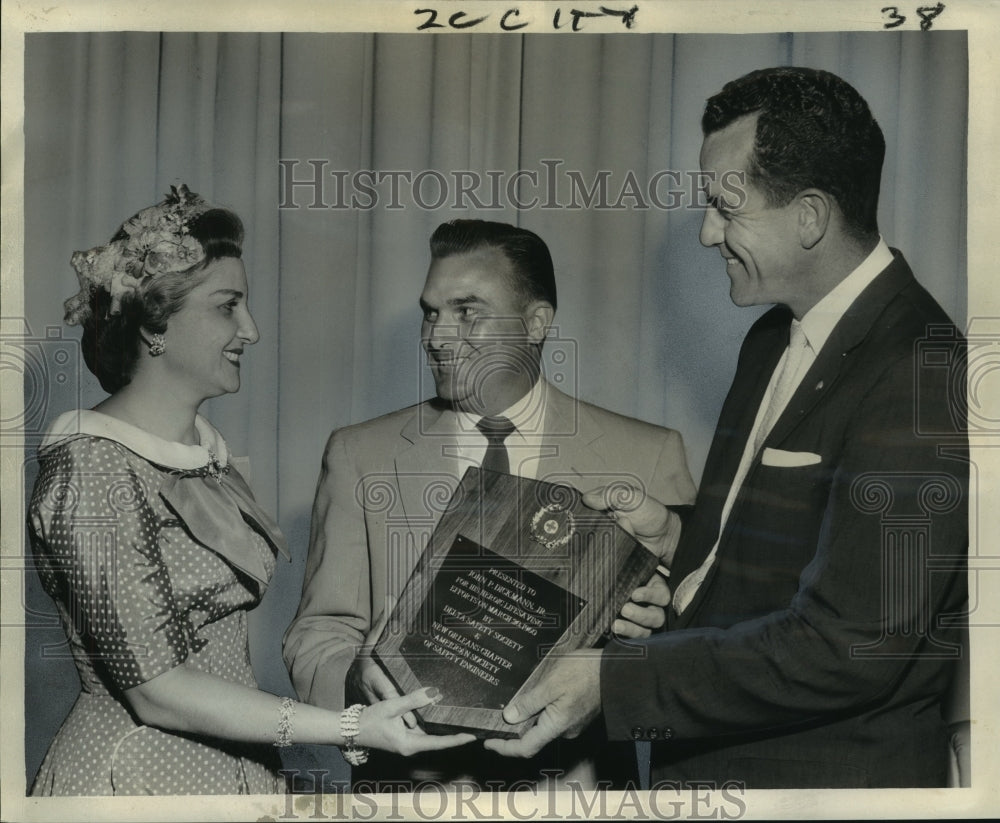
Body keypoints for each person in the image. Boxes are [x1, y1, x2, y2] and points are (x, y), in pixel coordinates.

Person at [484, 67, 968, 788]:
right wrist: (673, 537)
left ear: (809, 216)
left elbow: (849, 646)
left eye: (724, 208)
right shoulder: (771, 337)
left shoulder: (923, 370)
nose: (708, 233)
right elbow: (783, 549)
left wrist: (613, 682)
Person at [27, 186, 474, 796]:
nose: (252, 330)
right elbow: (158, 692)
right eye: (227, 307)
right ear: (155, 322)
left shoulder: (203, 459)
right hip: (135, 778)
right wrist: (350, 727)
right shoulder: (93, 467)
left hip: (236, 770)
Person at [283, 219, 697, 789]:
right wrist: (356, 684)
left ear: (536, 322)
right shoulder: (360, 454)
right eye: (431, 312)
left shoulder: (647, 455)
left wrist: (644, 642)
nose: (437, 336)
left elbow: (698, 648)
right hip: (409, 796)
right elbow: (316, 635)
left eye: (467, 311)